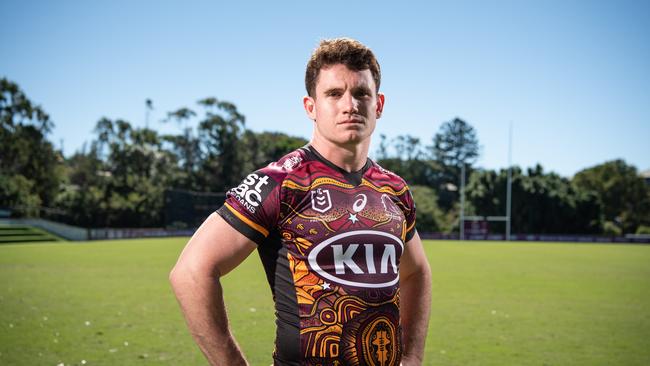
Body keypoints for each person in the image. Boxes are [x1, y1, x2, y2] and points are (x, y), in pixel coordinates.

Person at [170, 37, 432, 366]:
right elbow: (191, 271)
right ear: (311, 107)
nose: (349, 104)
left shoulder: (394, 189)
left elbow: (417, 272)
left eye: (361, 93)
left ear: (378, 104)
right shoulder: (279, 182)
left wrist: (413, 356)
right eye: (334, 93)